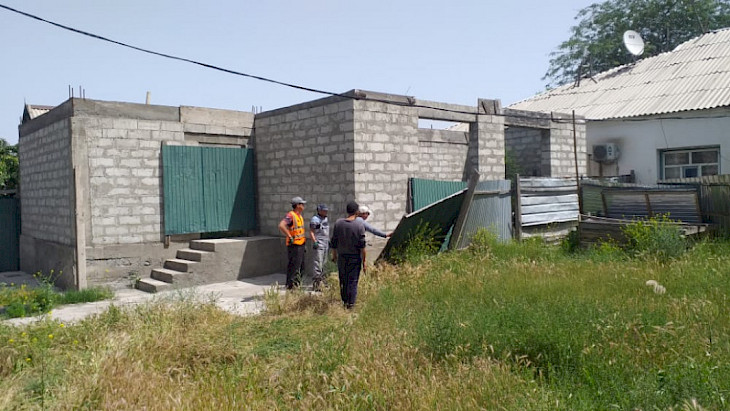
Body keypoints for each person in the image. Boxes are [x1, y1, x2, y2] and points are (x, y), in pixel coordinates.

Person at [330, 200, 366, 309]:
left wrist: (334, 255)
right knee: (353, 281)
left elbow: (334, 242)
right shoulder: (359, 225)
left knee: (343, 280)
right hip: (354, 258)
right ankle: (351, 305)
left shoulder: (338, 223)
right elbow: (362, 246)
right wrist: (364, 262)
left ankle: (345, 302)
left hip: (342, 257)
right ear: (357, 212)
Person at [278, 196, 308, 289]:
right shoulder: (291, 215)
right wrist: (289, 236)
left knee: (300, 266)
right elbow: (281, 225)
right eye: (302, 204)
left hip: (301, 244)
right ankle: (292, 286)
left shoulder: (299, 216)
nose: (303, 206)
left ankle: (296, 284)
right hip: (294, 245)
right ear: (297, 205)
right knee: (294, 266)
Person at [309, 203, 330, 291]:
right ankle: (316, 284)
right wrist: (314, 242)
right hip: (319, 243)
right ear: (319, 210)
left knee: (324, 263)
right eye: (324, 210)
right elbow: (311, 232)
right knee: (318, 263)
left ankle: (324, 282)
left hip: (326, 243)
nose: (326, 212)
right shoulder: (315, 219)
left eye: (326, 210)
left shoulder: (325, 219)